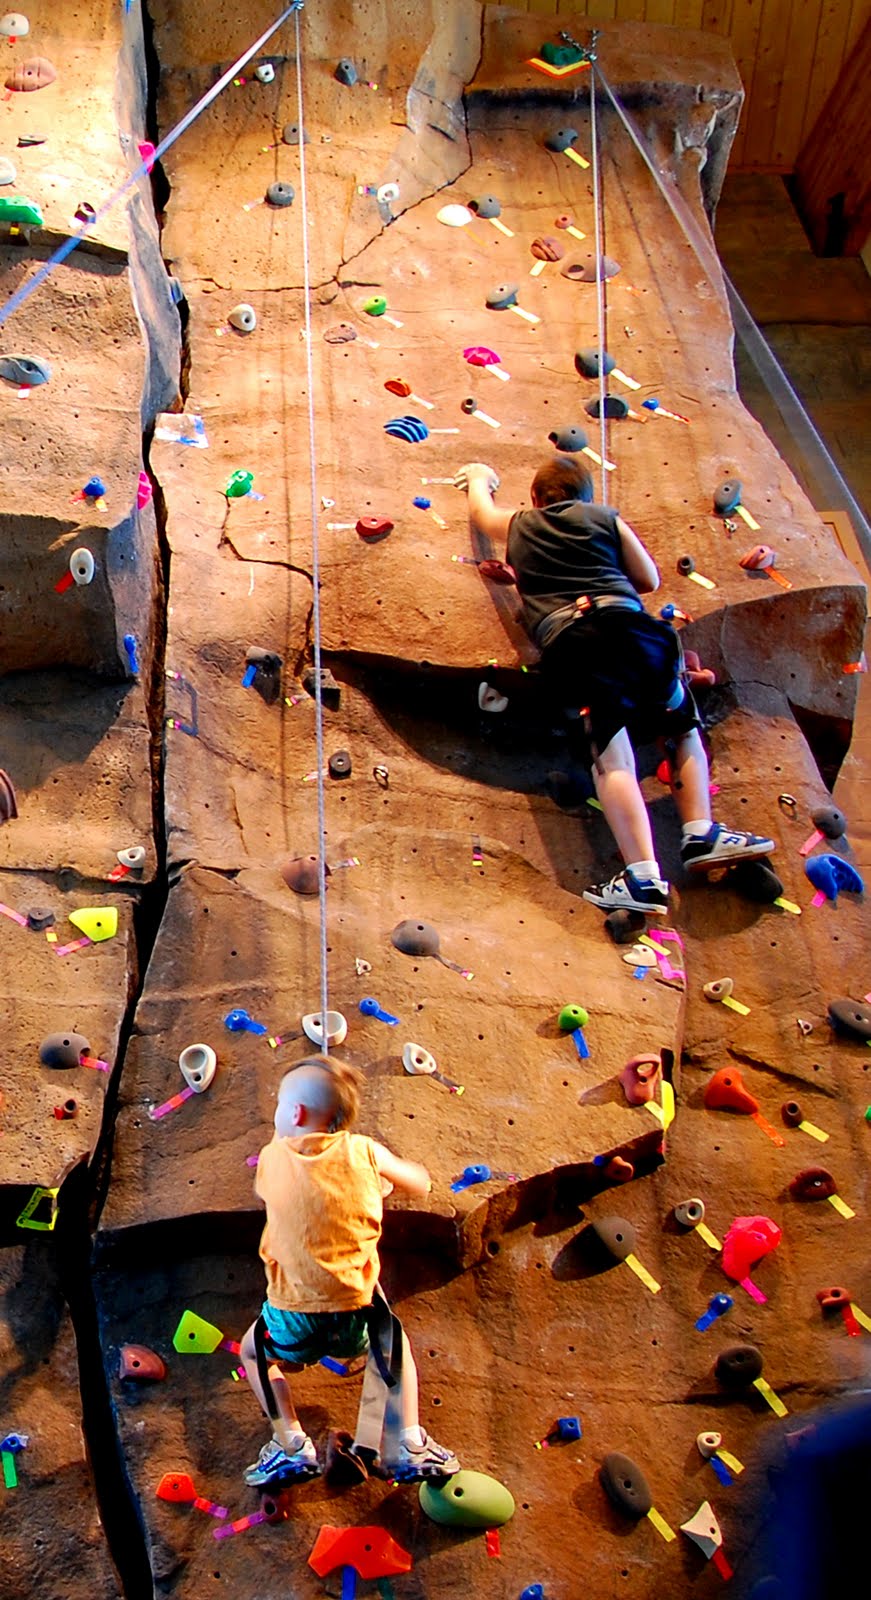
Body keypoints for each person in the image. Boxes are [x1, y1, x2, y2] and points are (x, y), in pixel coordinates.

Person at [456, 457, 775, 915]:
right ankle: (700, 833)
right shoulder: (603, 516)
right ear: (584, 497)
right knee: (682, 727)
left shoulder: (523, 521)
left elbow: (483, 516)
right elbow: (648, 579)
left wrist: (479, 478)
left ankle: (644, 879)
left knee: (611, 753)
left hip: (576, 642)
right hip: (639, 635)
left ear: (536, 499)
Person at [241, 1054, 459, 1487]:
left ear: (296, 1114)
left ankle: (289, 1443)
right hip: (356, 1318)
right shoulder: (366, 1151)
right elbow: (421, 1182)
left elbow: (289, 1176)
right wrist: (383, 1181)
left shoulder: (271, 1158)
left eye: (282, 1105)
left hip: (290, 1319)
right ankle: (409, 1441)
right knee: (397, 1349)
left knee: (253, 1353)